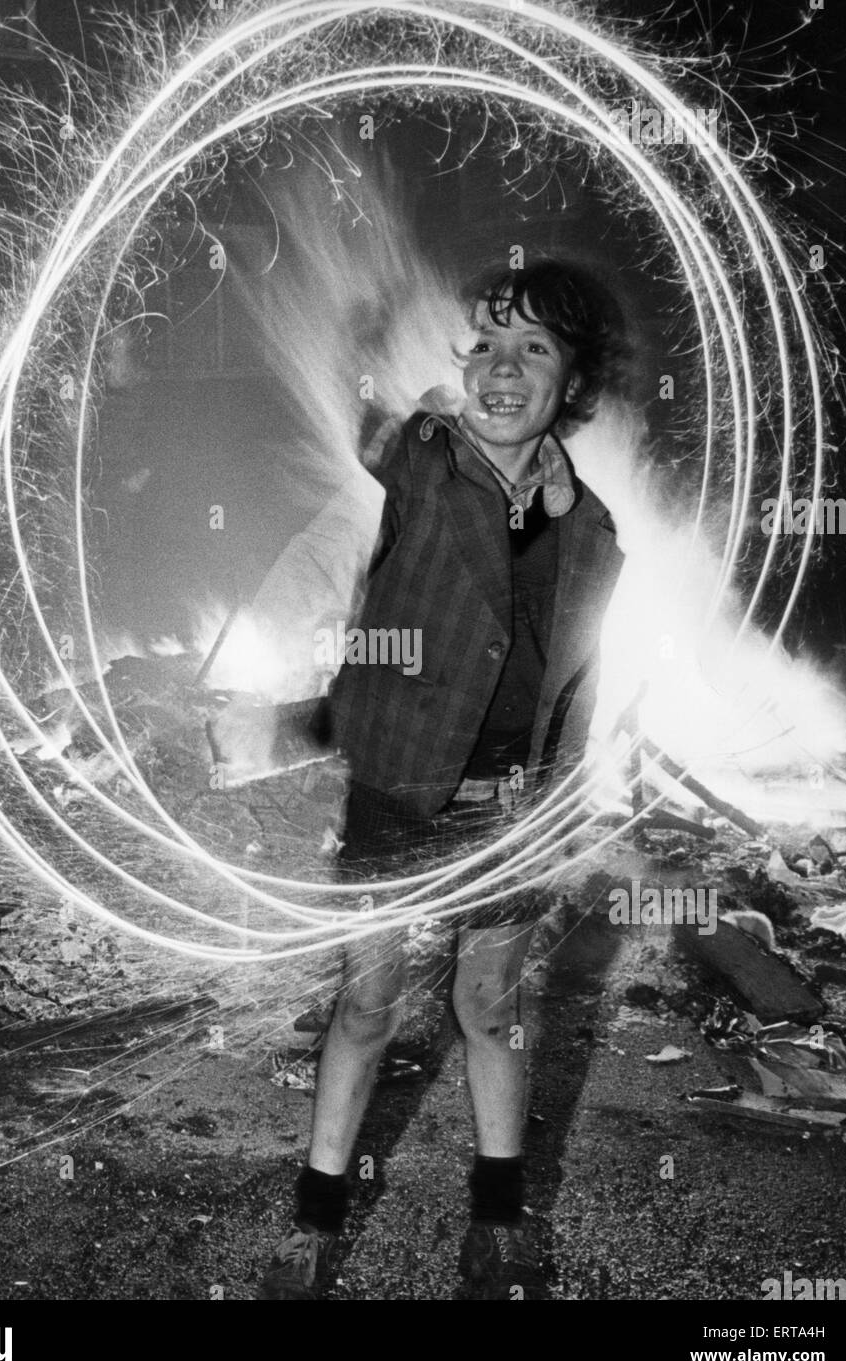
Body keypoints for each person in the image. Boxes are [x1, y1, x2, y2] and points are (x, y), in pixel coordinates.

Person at [258, 258, 627, 1299]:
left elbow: (575, 683)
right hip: (398, 796)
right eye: (487, 347)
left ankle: (496, 1230)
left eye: (535, 349)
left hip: (509, 813)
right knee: (368, 1006)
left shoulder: (591, 528)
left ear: (572, 381)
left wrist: (556, 806)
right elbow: (367, 463)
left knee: (492, 1008)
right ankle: (316, 1227)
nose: (503, 371)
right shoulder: (419, 459)